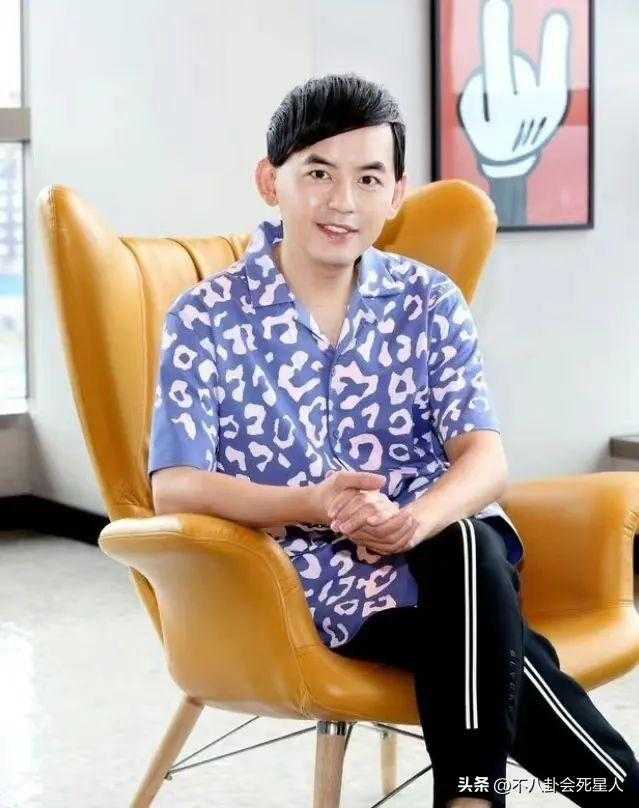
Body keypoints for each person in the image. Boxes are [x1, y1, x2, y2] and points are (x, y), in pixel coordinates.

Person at [147, 73, 639, 807]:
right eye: (318, 172)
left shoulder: (428, 299)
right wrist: (316, 503)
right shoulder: (204, 317)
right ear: (270, 181)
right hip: (307, 584)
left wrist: (412, 521)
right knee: (496, 645)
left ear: (396, 195)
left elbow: (485, 457)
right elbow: (174, 486)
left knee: (462, 546)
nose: (343, 201)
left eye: (368, 178)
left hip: (450, 553)